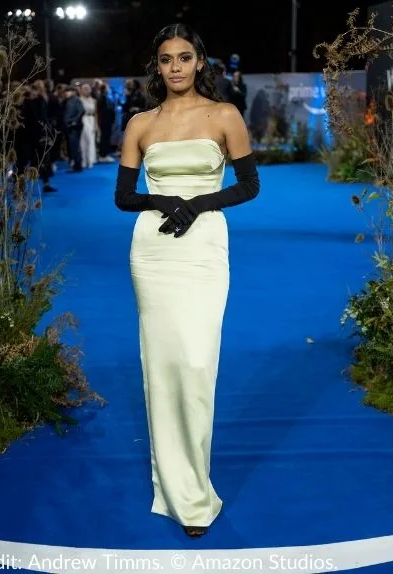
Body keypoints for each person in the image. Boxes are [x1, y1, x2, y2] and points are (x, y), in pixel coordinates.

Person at [114, 23, 260, 538]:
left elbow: (249, 185)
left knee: (197, 362)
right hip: (152, 251)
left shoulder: (224, 115)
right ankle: (179, 493)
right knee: (162, 364)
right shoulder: (140, 123)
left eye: (184, 57)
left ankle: (195, 486)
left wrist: (198, 203)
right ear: (157, 66)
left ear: (200, 61)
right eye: (165, 59)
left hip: (203, 248)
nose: (174, 67)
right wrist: (163, 201)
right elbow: (124, 197)